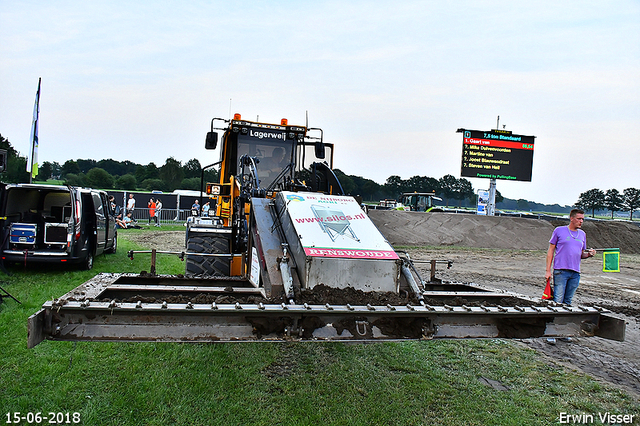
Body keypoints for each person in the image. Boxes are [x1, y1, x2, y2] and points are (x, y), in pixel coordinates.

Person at [545, 209, 595, 343]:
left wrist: (589, 254)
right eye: (579, 219)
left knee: (567, 303)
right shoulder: (559, 231)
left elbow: (581, 254)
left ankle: (562, 332)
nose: (581, 221)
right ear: (571, 218)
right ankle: (551, 332)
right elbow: (550, 251)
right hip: (561, 271)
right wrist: (548, 270)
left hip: (575, 273)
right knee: (557, 301)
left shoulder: (582, 234)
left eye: (583, 219)